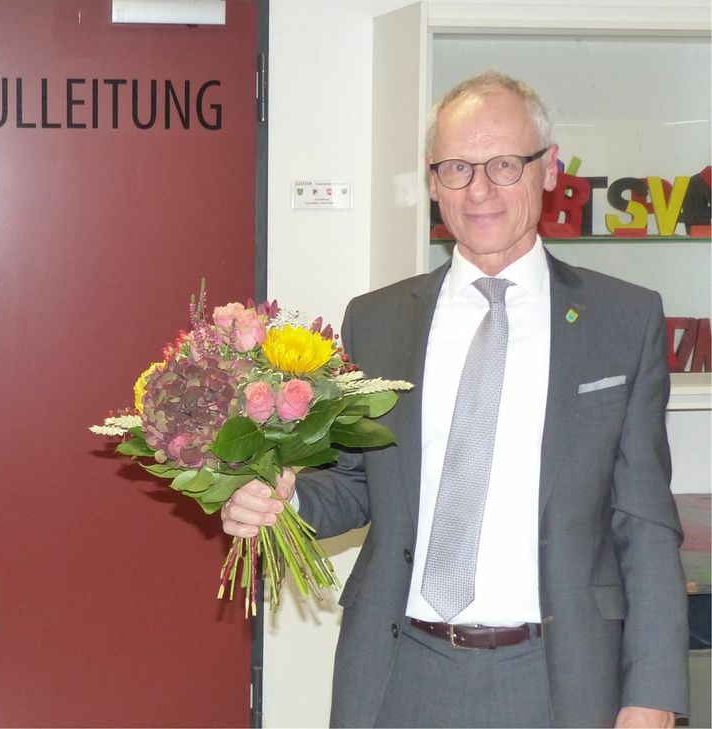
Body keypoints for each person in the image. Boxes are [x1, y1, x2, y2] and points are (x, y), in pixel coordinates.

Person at [222, 70, 688, 728]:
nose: (479, 191)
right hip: (399, 669)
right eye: (456, 168)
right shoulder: (377, 320)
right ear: (432, 179)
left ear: (548, 168)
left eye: (503, 164)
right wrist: (283, 497)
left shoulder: (622, 320)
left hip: (559, 675)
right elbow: (353, 482)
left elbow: (642, 524)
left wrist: (653, 694)